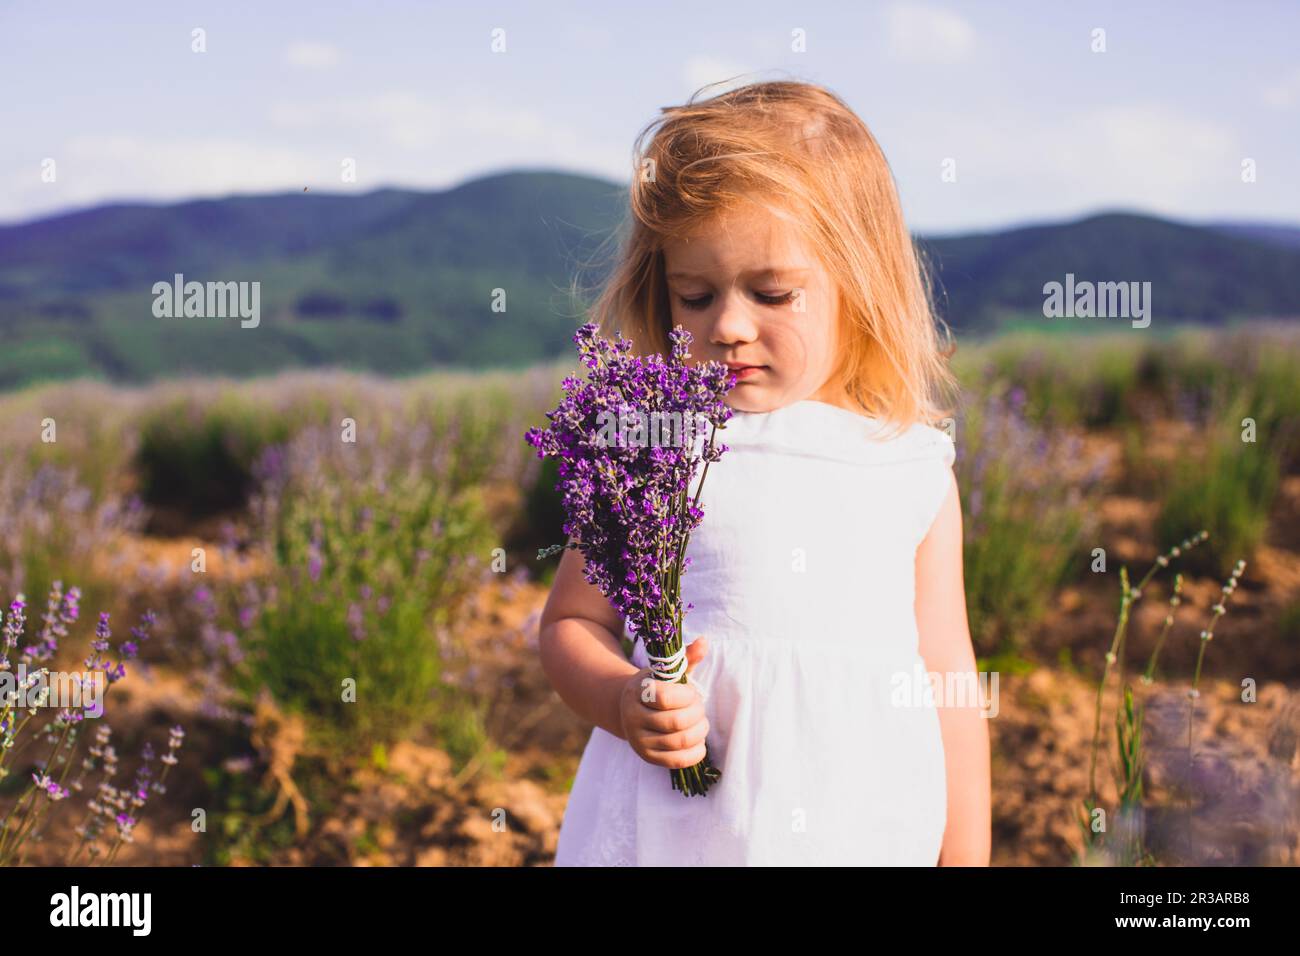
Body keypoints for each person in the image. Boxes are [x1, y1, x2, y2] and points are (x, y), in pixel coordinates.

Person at [539, 78, 991, 866]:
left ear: (860, 286)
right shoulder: (654, 449)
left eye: (772, 292)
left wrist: (966, 855)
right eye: (696, 295)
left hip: (860, 826)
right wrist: (622, 697)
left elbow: (949, 676)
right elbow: (571, 624)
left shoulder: (908, 464)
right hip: (673, 833)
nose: (729, 327)